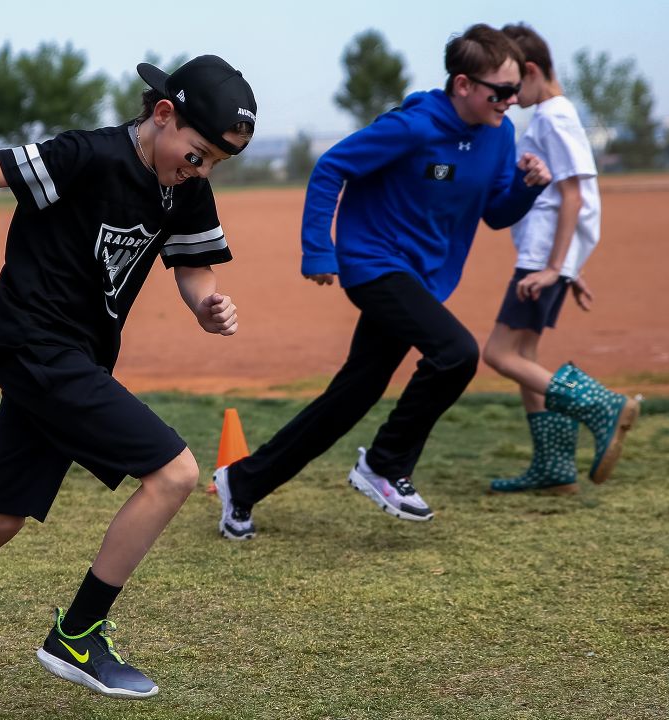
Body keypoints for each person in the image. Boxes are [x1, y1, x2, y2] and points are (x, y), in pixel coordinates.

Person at [0, 54, 254, 710]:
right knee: (175, 472)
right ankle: (77, 634)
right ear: (163, 115)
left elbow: (193, 265)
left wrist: (206, 302)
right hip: (36, 346)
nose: (201, 169)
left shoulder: (185, 186)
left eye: (215, 163)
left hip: (78, 359)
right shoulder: (87, 156)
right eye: (199, 153)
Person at [213, 24, 550, 540]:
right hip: (374, 264)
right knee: (457, 353)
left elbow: (497, 213)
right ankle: (386, 463)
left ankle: (242, 482)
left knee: (352, 396)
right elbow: (331, 168)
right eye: (499, 91)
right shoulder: (414, 127)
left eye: (512, 91)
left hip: (423, 280)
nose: (511, 100)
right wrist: (318, 250)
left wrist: (527, 189)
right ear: (462, 85)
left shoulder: (500, 134)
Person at [482, 24, 639, 495]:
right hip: (549, 258)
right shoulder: (555, 116)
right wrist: (570, 267)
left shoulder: (553, 116)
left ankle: (604, 407)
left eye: (512, 86)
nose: (508, 97)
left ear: (530, 71)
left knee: (498, 354)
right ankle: (553, 467)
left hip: (540, 260)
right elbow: (569, 197)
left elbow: (573, 195)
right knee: (524, 356)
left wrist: (555, 268)